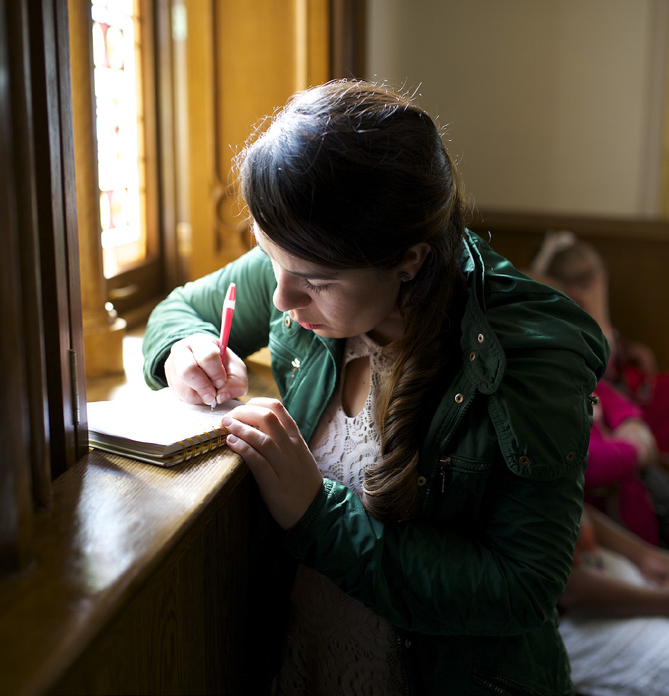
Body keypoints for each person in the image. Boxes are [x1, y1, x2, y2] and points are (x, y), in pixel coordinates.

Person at [142, 80, 608, 695]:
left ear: (409, 261)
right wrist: (185, 351)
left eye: (314, 282)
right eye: (269, 258)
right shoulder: (308, 250)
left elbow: (521, 588)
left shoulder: (529, 355)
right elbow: (181, 310)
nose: (280, 298)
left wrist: (319, 516)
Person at [530, 232, 669, 547]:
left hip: (638, 490)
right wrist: (634, 450)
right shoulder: (547, 398)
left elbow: (610, 396)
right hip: (616, 510)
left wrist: (632, 423)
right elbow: (584, 463)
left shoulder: (581, 373)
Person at [557, 503, 669, 696]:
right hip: (571, 623)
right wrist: (662, 601)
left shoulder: (562, 493)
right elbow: (571, 591)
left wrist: (646, 556)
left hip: (609, 573)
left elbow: (579, 509)